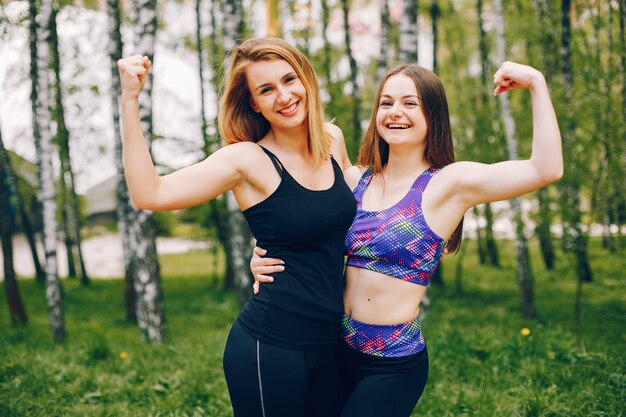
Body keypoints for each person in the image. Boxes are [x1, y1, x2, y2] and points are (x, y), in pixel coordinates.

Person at [251, 61, 562, 417]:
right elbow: (297, 216)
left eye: (409, 103)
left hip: (392, 366)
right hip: (331, 348)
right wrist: (261, 252)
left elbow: (546, 169)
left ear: (433, 114)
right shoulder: (355, 181)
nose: (395, 112)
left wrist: (537, 83)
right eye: (386, 103)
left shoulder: (449, 184)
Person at [117, 37, 357, 417]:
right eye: (266, 89)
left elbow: (340, 222)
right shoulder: (246, 160)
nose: (283, 96)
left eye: (289, 79)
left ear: (306, 80)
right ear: (253, 103)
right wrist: (130, 101)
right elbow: (150, 193)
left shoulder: (332, 140)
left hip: (330, 341)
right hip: (271, 345)